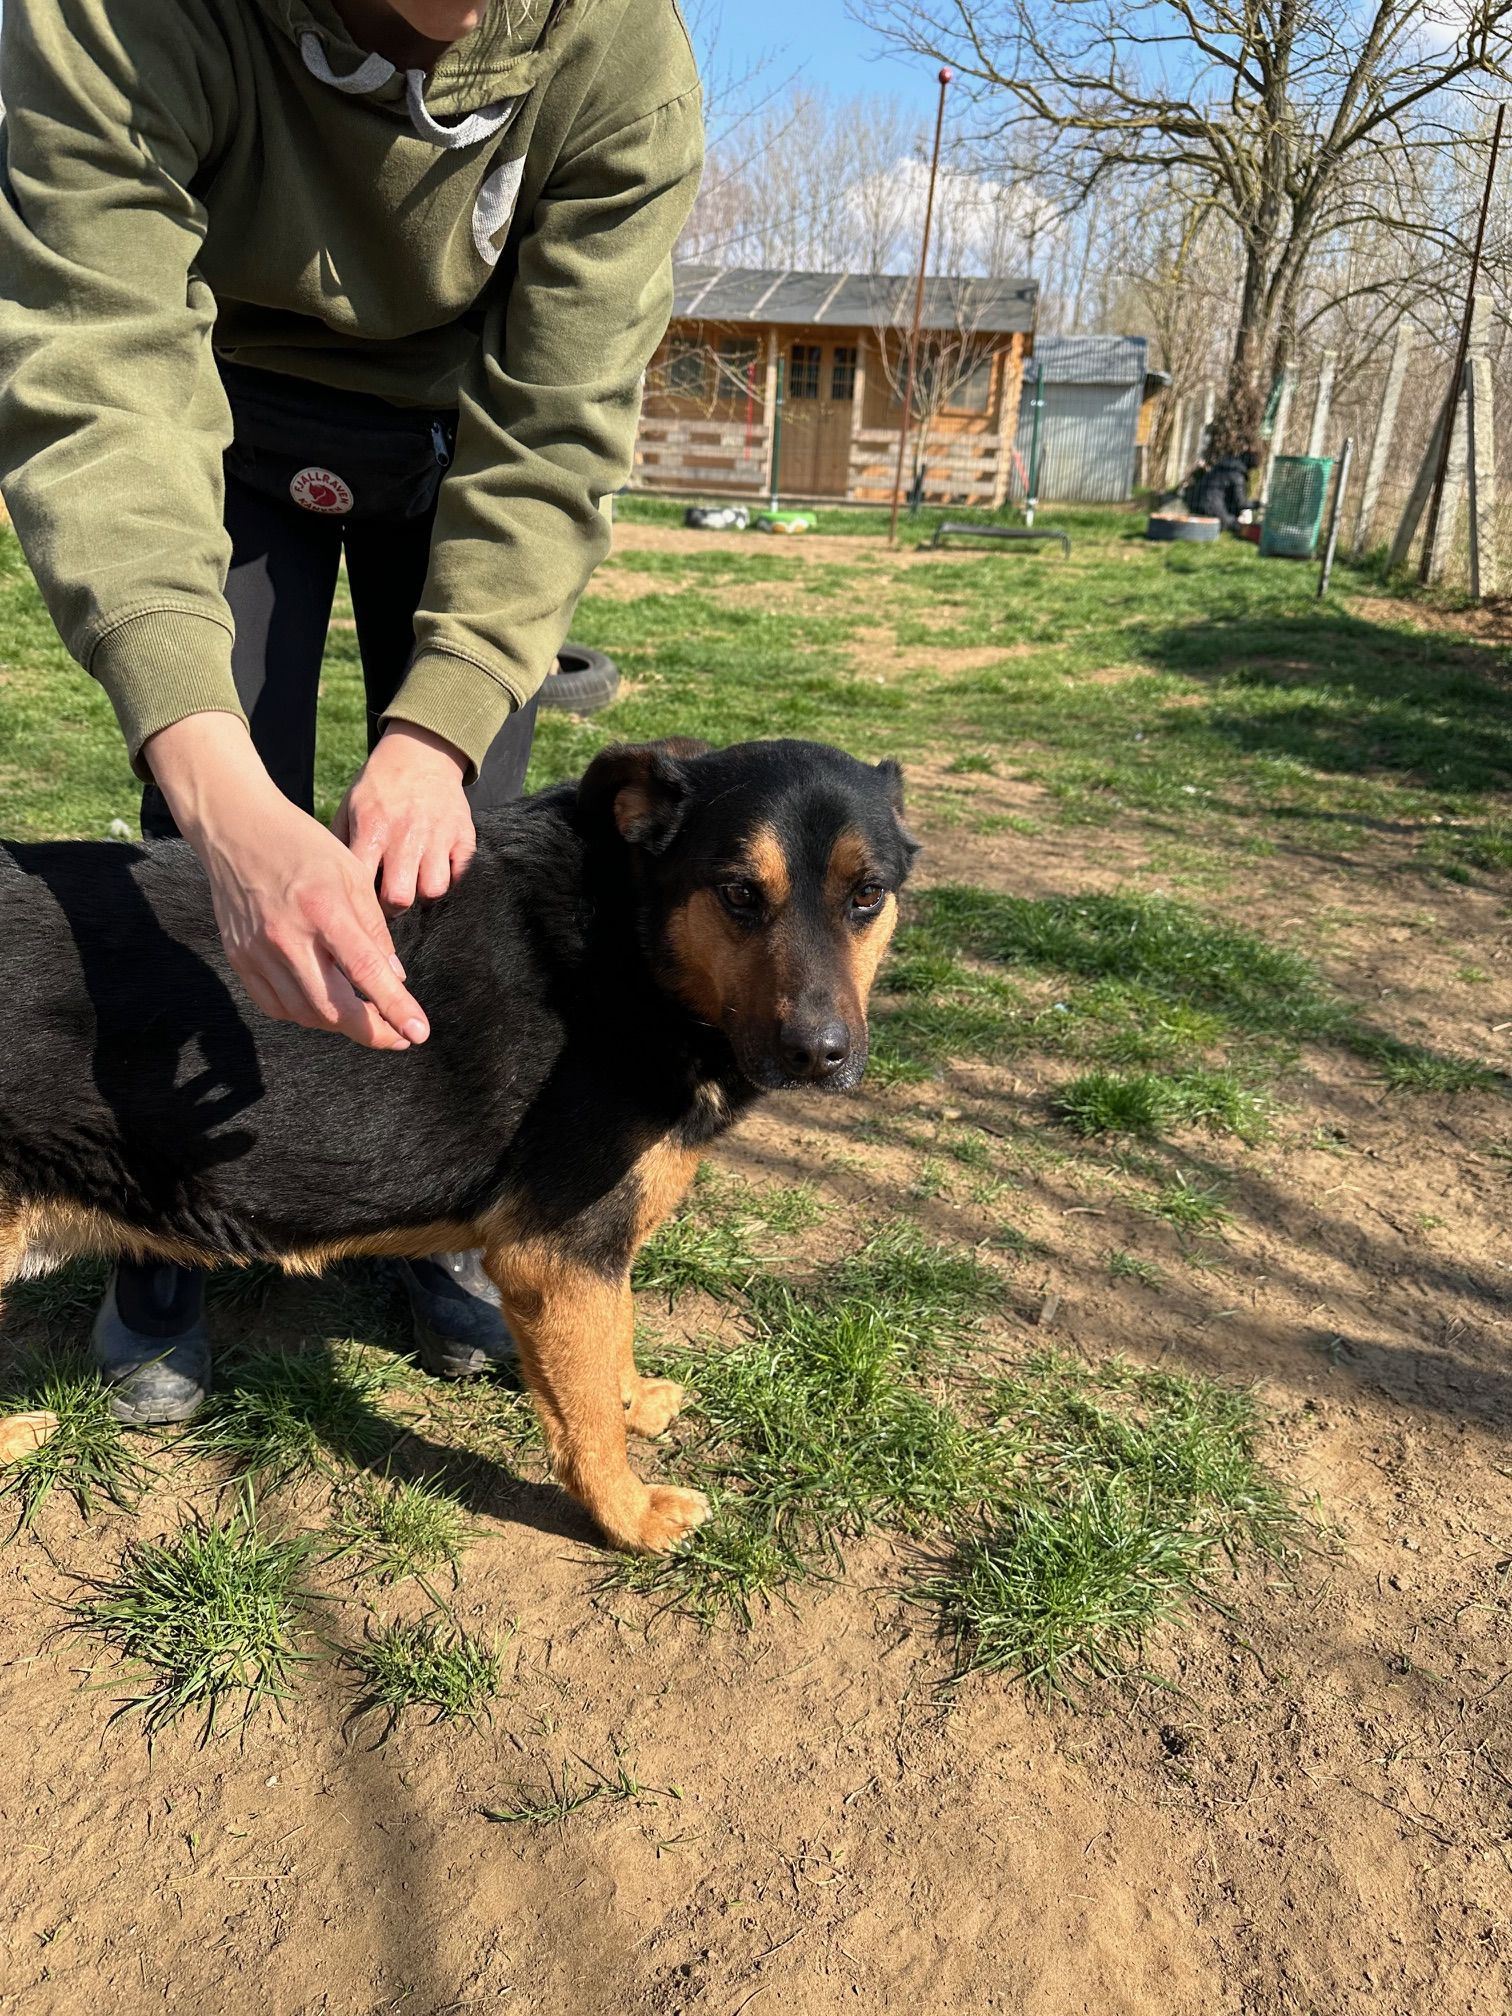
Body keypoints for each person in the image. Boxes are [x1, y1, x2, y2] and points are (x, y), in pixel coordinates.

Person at [0, 0, 703, 1422]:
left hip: (460, 427)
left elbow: (559, 420)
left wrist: (440, 726)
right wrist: (218, 786)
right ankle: (160, 1226)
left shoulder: (623, 55)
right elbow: (97, 362)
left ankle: (449, 1211)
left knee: (462, 872)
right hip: (211, 400)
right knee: (202, 861)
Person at [1183, 447, 1262, 532]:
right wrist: (1258, 504)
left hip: (1195, 504)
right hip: (1210, 508)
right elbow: (1241, 503)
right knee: (1236, 526)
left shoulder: (1223, 465)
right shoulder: (1237, 475)